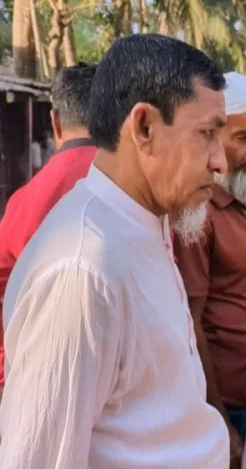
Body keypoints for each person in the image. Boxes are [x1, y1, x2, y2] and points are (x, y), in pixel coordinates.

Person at [0, 34, 229, 468]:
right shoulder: (81, 269)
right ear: (144, 128)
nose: (220, 161)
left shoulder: (145, 221)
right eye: (206, 134)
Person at [173, 72, 246, 459]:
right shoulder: (199, 214)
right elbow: (191, 326)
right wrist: (220, 421)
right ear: (212, 139)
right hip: (236, 406)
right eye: (243, 138)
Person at [0, 63, 98, 393]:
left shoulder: (23, 202)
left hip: (42, 380)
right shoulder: (136, 190)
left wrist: (7, 369)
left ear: (55, 122)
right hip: (127, 391)